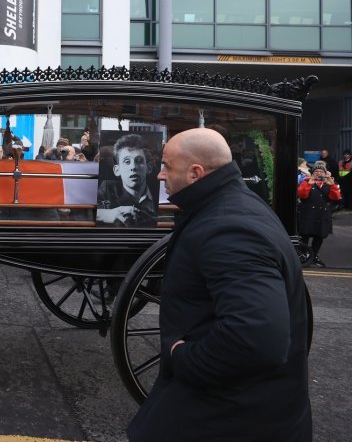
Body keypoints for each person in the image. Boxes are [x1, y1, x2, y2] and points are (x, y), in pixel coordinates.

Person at [128, 128, 311, 442]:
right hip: (239, 407)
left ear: (196, 173)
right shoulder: (233, 207)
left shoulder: (229, 227)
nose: (160, 175)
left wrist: (181, 358)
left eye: (167, 166)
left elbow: (258, 337)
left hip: (232, 416)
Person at [96, 134, 156, 227]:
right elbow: (92, 212)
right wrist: (109, 214)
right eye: (127, 162)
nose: (133, 167)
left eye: (139, 161)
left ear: (149, 168)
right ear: (117, 170)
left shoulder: (158, 193)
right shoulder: (108, 188)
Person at [297, 163, 341, 267]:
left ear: (326, 174)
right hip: (308, 214)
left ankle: (314, 256)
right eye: (316, 172)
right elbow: (302, 195)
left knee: (319, 236)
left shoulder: (329, 184)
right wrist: (309, 183)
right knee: (305, 236)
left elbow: (336, 198)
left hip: (322, 215)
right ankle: (303, 255)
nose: (319, 174)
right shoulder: (306, 182)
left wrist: (332, 185)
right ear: (312, 173)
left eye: (321, 172)